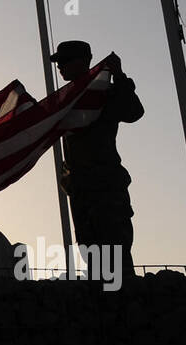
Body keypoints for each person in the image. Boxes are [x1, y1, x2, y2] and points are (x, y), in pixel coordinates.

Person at [51, 40, 143, 282]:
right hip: (81, 189)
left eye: (65, 61)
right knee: (92, 257)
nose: (60, 67)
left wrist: (119, 76)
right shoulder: (67, 100)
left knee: (115, 256)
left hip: (105, 188)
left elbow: (133, 112)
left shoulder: (103, 94)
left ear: (82, 61)